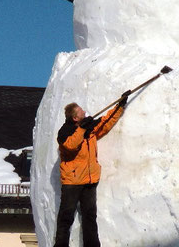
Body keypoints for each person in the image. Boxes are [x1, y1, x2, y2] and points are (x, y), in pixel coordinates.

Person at [53, 90, 131, 247]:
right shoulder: (65, 132)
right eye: (81, 111)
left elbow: (105, 122)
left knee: (90, 216)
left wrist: (120, 105)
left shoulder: (88, 128)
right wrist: (81, 129)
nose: (85, 112)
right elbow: (70, 146)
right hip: (72, 181)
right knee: (66, 217)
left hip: (89, 180)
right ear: (75, 117)